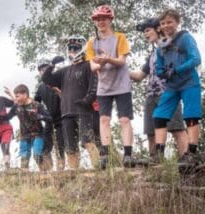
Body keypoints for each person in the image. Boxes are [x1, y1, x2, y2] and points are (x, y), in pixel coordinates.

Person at [86, 4, 137, 169]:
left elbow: (122, 61)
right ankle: (105, 155)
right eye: (98, 19)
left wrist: (107, 59)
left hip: (122, 85)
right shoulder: (91, 42)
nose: (101, 22)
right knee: (104, 119)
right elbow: (93, 67)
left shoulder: (120, 38)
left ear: (110, 20)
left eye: (104, 18)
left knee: (124, 119)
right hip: (104, 87)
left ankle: (128, 154)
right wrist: (100, 62)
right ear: (95, 21)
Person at [129, 18, 188, 160]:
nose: (145, 34)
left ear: (158, 29)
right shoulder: (152, 54)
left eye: (148, 30)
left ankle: (187, 160)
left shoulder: (173, 46)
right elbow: (139, 76)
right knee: (151, 132)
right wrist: (120, 68)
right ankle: (155, 164)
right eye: (144, 32)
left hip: (169, 93)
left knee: (177, 128)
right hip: (151, 96)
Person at [153, 9, 202, 170]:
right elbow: (159, 67)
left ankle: (191, 153)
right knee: (159, 115)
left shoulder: (185, 38)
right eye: (163, 23)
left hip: (189, 82)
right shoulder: (160, 45)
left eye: (169, 22)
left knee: (191, 116)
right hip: (172, 85)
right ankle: (158, 154)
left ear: (176, 22)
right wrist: (163, 73)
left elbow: (196, 58)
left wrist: (177, 70)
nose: (166, 25)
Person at [42, 35, 100, 169]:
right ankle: (74, 174)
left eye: (75, 48)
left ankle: (98, 170)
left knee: (88, 141)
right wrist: (51, 65)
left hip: (84, 111)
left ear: (82, 48)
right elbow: (46, 79)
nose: (72, 50)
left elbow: (94, 88)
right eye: (70, 48)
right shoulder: (64, 71)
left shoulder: (88, 66)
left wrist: (86, 101)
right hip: (66, 112)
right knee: (70, 147)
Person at [3, 84, 51, 171]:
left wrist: (39, 116)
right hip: (24, 135)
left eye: (17, 96)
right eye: (15, 97)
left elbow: (49, 118)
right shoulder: (16, 106)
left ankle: (45, 173)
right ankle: (25, 178)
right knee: (24, 157)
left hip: (38, 134)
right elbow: (7, 117)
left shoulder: (37, 105)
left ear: (25, 94)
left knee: (37, 155)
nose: (16, 99)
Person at [35, 59, 66, 170]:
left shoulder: (60, 81)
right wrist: (41, 115)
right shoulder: (40, 87)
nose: (43, 71)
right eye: (41, 70)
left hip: (62, 118)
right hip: (49, 119)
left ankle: (61, 168)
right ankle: (47, 170)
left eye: (45, 68)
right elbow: (35, 103)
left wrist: (59, 91)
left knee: (61, 144)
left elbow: (68, 98)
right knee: (46, 146)